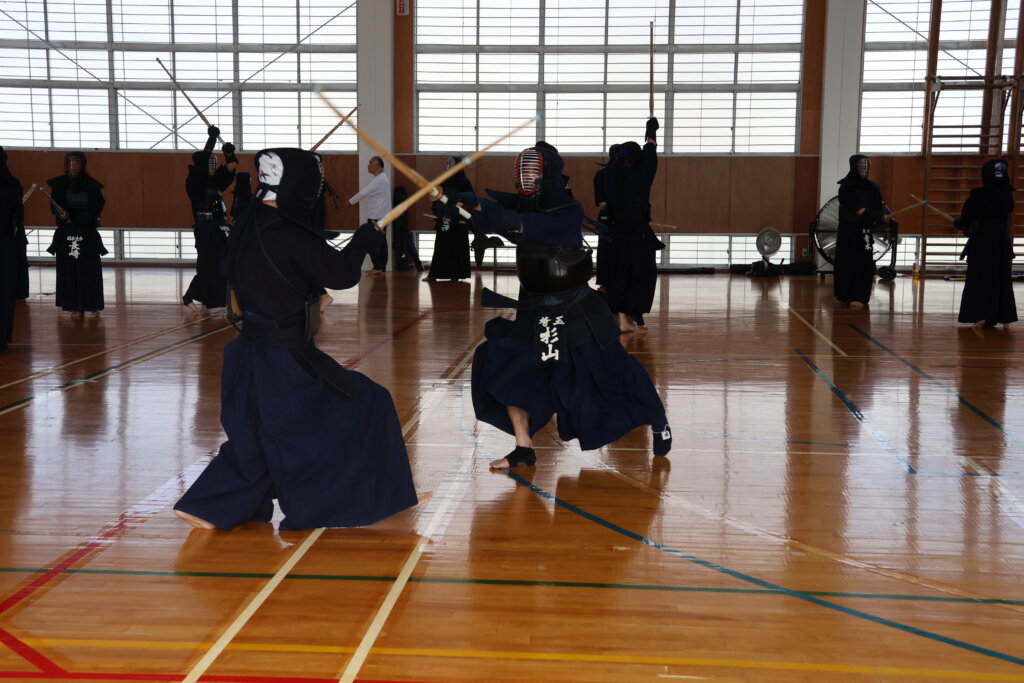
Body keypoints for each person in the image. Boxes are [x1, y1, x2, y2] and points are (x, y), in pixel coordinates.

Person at [173, 148, 417, 531]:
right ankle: (360, 499)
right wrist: (363, 240)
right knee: (365, 402)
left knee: (256, 438)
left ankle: (206, 506)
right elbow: (340, 273)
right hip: (284, 360)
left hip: (247, 354)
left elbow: (265, 270)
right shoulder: (291, 234)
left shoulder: (247, 224)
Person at [448, 141, 672, 469]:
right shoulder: (527, 212)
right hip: (535, 311)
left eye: (532, 172)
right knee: (509, 369)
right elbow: (499, 223)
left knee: (614, 373)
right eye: (522, 172)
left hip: (576, 312)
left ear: (547, 176)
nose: (526, 179)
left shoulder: (568, 213)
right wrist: (463, 208)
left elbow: (516, 223)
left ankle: (657, 418)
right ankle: (523, 448)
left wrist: (483, 208)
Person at [603, 119, 661, 332]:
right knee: (642, 274)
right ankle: (634, 313)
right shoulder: (641, 174)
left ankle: (622, 318)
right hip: (638, 234)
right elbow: (650, 153)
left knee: (619, 274)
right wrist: (651, 131)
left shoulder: (610, 173)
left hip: (617, 231)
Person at [955, 159, 1017, 328]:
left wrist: (959, 224)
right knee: (998, 278)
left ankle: (980, 314)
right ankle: (996, 315)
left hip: (982, 243)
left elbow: (966, 220)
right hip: (1000, 243)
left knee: (980, 278)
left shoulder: (979, 195)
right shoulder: (1007, 196)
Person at [183, 125, 237, 314]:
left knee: (223, 263)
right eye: (210, 162)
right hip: (205, 228)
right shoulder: (194, 182)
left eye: (215, 161)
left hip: (219, 226)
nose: (214, 164)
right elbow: (203, 161)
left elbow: (230, 169)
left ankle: (218, 299)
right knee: (207, 265)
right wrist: (212, 139)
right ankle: (189, 297)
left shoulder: (215, 182)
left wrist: (229, 154)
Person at [46, 151, 106, 316]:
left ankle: (91, 303)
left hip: (86, 234)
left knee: (89, 271)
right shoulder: (58, 185)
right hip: (66, 233)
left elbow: (97, 206)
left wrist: (83, 218)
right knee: (69, 271)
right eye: (69, 162)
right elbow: (54, 206)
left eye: (76, 162)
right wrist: (62, 215)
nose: (72, 166)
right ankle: (72, 304)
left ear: (83, 165)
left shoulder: (92, 186)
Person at [835, 154, 888, 308]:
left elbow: (878, 207)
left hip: (865, 231)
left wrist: (883, 217)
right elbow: (857, 210)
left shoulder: (874, 188)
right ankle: (847, 294)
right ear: (854, 166)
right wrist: (876, 215)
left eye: (867, 165)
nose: (864, 168)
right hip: (849, 231)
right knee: (848, 262)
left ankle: (860, 295)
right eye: (861, 165)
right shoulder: (846, 187)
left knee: (864, 263)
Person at [426, 156, 473, 281]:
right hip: (445, 218)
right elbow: (436, 196)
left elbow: (469, 200)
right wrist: (437, 211)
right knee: (441, 245)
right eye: (447, 164)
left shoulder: (464, 182)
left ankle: (455, 275)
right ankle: (434, 274)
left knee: (457, 247)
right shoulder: (444, 180)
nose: (448, 166)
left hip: (458, 219)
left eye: (450, 164)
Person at [348, 155, 390, 275]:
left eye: (370, 163)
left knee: (372, 241)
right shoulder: (381, 178)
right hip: (381, 215)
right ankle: (381, 267)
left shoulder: (379, 180)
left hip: (377, 217)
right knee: (381, 242)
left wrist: (351, 201)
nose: (368, 165)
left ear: (377, 165)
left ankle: (378, 266)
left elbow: (364, 193)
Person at [0, 147, 24, 349]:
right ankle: (2, 338)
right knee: (4, 293)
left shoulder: (12, 184)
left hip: (5, 243)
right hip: (6, 244)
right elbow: (19, 217)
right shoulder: (12, 184)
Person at [592, 145, 619, 291]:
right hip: (607, 217)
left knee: (621, 249)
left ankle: (619, 280)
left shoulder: (627, 174)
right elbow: (601, 202)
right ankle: (605, 282)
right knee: (606, 249)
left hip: (623, 218)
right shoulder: (602, 174)